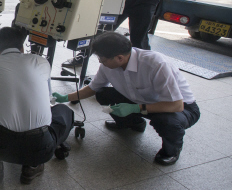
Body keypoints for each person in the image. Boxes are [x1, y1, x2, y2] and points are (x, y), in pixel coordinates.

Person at [52, 32, 199, 166]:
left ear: (120, 58)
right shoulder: (109, 65)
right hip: (141, 101)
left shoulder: (156, 64)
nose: (100, 62)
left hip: (178, 108)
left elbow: (176, 105)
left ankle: (171, 150)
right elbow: (93, 88)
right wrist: (65, 97)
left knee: (166, 122)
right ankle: (134, 123)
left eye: (102, 59)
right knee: (103, 93)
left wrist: (135, 108)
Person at [0, 27, 75, 184]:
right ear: (22, 47)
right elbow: (47, 95)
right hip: (40, 149)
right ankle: (32, 166)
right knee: (65, 111)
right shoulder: (41, 62)